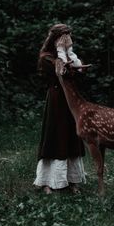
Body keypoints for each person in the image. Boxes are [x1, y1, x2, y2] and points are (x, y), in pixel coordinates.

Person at [33, 23, 86, 194]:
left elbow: (77, 70)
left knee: (71, 135)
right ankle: (48, 181)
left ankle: (71, 180)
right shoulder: (46, 57)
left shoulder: (63, 54)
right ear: (56, 39)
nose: (68, 40)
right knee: (55, 135)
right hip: (57, 100)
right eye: (65, 37)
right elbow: (64, 72)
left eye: (69, 37)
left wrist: (68, 52)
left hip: (70, 99)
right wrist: (62, 52)